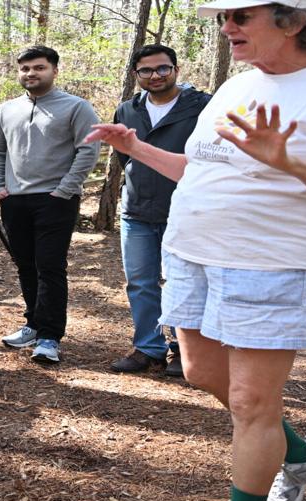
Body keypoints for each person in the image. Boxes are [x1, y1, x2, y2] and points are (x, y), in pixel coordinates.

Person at [85, 1, 306, 501]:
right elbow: (199, 168)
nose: (227, 28)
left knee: (251, 401)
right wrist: (135, 147)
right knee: (201, 373)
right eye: (225, 17)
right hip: (191, 250)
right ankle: (299, 455)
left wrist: (287, 161)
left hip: (271, 260)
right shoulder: (236, 86)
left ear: (293, 22)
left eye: (241, 17)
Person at [0, 45, 101, 365]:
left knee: (49, 266)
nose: (30, 73)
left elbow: (88, 150)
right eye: (24, 68)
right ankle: (34, 324)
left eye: (38, 67)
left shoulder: (77, 107)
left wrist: (65, 189)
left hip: (55, 199)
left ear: (54, 70)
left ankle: (50, 336)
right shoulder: (6, 110)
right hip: (14, 200)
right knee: (25, 264)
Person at [107, 44, 211, 376]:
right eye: (147, 71)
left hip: (187, 210)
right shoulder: (127, 110)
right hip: (137, 210)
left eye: (163, 68)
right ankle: (148, 348)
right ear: (136, 75)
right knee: (140, 281)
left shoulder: (202, 106)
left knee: (185, 282)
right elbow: (127, 159)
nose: (155, 76)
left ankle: (184, 349)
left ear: (176, 70)